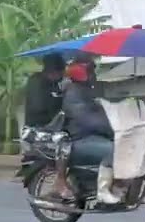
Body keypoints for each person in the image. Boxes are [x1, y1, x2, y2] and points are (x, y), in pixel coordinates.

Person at [61, 60, 120, 204]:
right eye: (91, 72)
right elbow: (89, 121)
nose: (94, 75)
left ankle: (118, 186)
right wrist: (110, 129)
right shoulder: (73, 94)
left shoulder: (85, 92)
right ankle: (103, 191)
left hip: (92, 136)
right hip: (80, 139)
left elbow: (102, 113)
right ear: (82, 75)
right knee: (114, 151)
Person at [24, 53, 66, 128]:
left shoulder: (53, 82)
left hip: (49, 122)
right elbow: (38, 107)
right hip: (38, 125)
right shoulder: (37, 82)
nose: (62, 76)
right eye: (61, 73)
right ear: (53, 72)